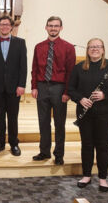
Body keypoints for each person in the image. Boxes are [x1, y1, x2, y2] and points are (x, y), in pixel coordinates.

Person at [68, 38, 108, 192]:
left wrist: (105, 95)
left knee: (102, 145)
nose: (94, 49)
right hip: (85, 113)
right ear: (87, 50)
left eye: (98, 46)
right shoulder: (79, 68)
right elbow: (71, 89)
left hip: (106, 113)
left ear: (103, 49)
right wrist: (80, 99)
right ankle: (86, 175)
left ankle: (102, 178)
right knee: (86, 145)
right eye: (91, 47)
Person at [31, 16, 76, 165]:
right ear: (46, 27)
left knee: (59, 123)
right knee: (43, 122)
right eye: (50, 26)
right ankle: (44, 152)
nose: (53, 28)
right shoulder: (39, 46)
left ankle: (59, 154)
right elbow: (35, 68)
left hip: (59, 87)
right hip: (42, 86)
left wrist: (67, 92)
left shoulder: (68, 47)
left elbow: (71, 72)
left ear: (61, 28)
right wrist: (34, 87)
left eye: (56, 26)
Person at [0, 15, 27, 156]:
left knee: (13, 117)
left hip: (14, 88)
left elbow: (23, 66)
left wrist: (21, 85)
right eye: (2, 24)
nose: (4, 26)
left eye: (7, 24)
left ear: (11, 26)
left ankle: (14, 144)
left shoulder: (20, 43)